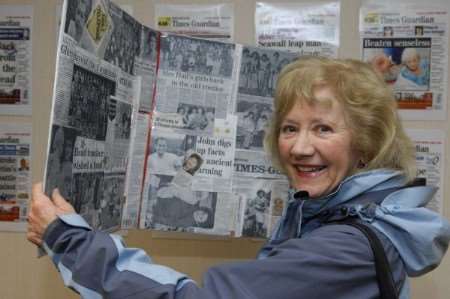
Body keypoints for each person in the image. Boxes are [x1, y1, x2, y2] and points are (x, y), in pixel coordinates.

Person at [27, 57, 450, 299]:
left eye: (323, 129)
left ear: (365, 143)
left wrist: (68, 239)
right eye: (290, 128)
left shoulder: (345, 246)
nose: (300, 147)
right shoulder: (348, 214)